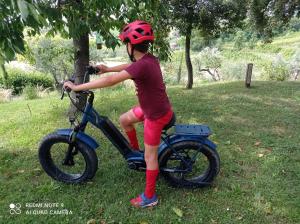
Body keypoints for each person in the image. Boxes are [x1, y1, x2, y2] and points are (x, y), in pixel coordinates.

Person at [63, 20, 173, 208]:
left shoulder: (142, 65)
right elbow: (126, 67)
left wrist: (77, 87)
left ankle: (150, 197)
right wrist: (106, 68)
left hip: (155, 116)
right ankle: (136, 153)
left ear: (130, 45)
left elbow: (111, 81)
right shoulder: (147, 59)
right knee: (124, 119)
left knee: (151, 157)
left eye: (126, 44)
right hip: (153, 109)